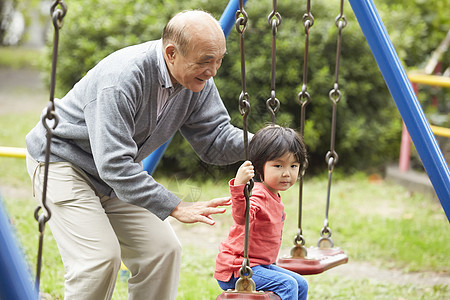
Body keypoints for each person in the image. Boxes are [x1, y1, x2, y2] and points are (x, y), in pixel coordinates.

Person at [26, 10, 248, 300]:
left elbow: (215, 139)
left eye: (219, 60)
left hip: (113, 173)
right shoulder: (122, 78)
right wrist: (175, 206)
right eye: (206, 61)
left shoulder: (196, 82)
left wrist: (263, 145)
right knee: (99, 259)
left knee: (162, 251)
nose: (213, 71)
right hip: (62, 160)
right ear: (171, 53)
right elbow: (114, 164)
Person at [214, 125, 309, 300]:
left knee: (301, 284)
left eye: (293, 166)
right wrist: (239, 187)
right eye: (278, 165)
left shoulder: (272, 194)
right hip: (238, 270)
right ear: (259, 168)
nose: (287, 173)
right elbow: (242, 218)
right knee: (288, 285)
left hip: (261, 266)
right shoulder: (258, 193)